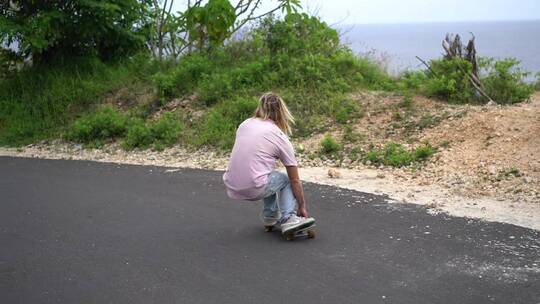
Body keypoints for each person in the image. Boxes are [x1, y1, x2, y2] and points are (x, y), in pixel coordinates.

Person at [223, 92, 315, 234]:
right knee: (285, 179)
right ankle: (288, 218)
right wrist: (302, 206)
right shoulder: (279, 136)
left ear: (260, 108)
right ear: (282, 112)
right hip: (253, 187)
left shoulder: (244, 124)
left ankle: (270, 216)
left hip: (232, 184)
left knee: (268, 175)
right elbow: (295, 180)